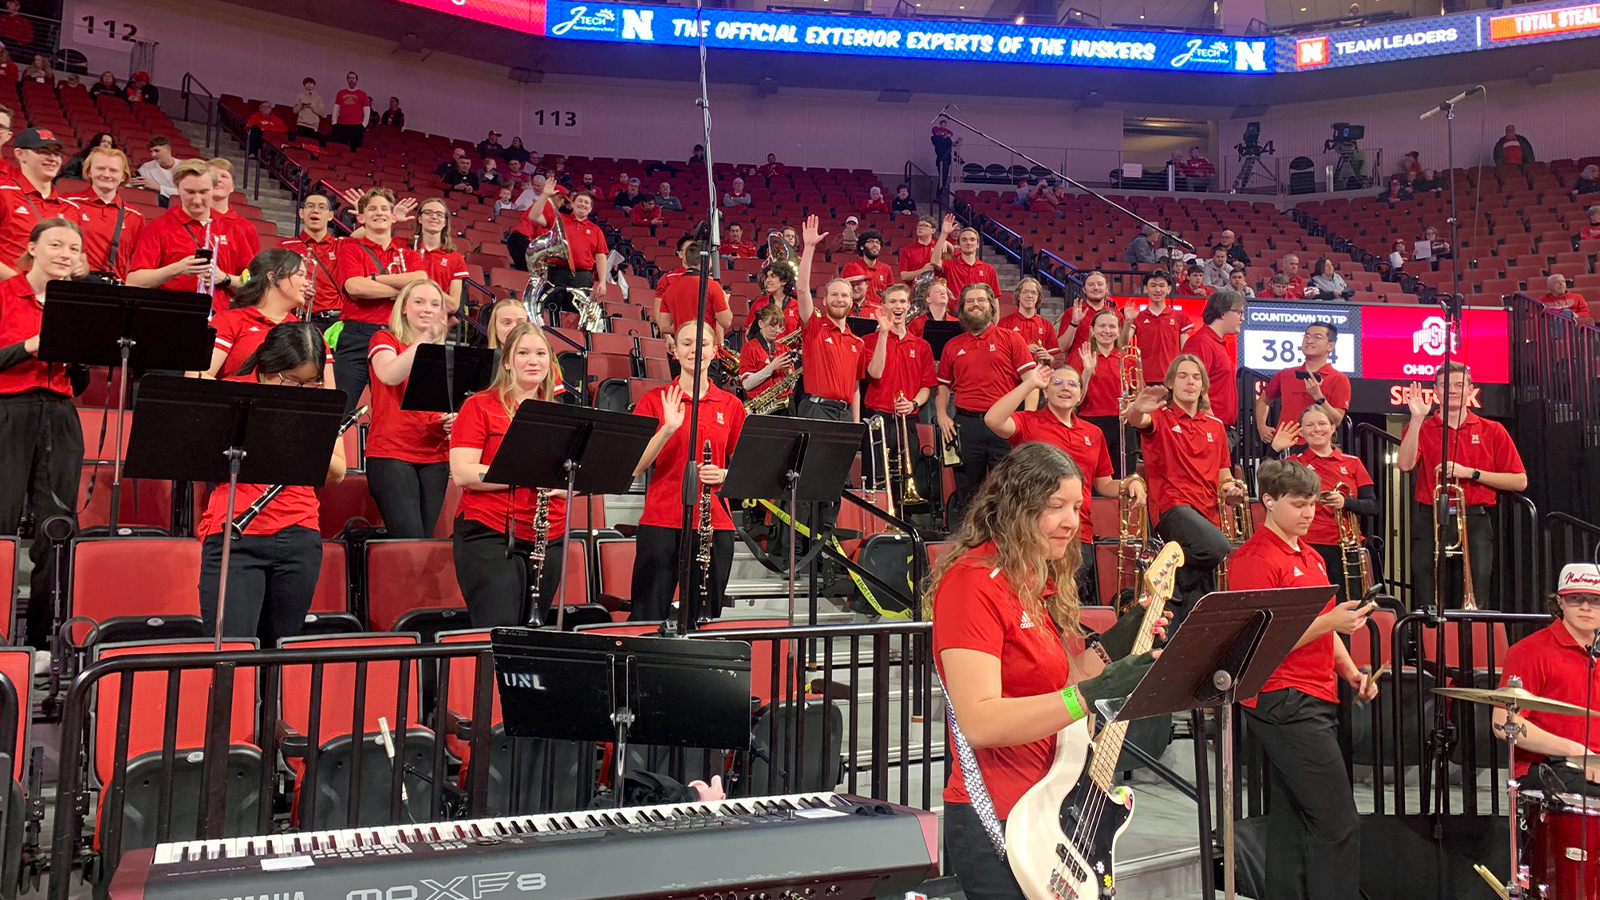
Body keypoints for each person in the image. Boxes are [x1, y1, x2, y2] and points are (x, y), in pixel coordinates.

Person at [931, 441, 1162, 900]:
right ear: (1016, 506)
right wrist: (1093, 694)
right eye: (1055, 506)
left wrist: (1121, 640)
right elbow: (981, 721)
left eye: (1076, 507)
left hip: (1051, 802)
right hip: (998, 813)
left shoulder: (1032, 582)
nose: (1072, 522)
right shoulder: (971, 583)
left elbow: (1063, 684)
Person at [1230, 458, 1378, 900]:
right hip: (1282, 696)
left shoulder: (1311, 555)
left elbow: (1324, 628)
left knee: (1294, 819)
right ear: (1268, 501)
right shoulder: (1254, 559)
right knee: (1337, 821)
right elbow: (1260, 641)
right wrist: (1330, 621)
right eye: (1298, 504)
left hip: (1313, 694)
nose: (1309, 513)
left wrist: (1350, 672)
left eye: (1312, 504)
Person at [199, 320, 346, 648]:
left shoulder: (318, 402)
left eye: (310, 382)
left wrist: (293, 431)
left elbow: (337, 472)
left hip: (299, 535)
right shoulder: (231, 394)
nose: (300, 389)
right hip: (236, 533)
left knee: (281, 654)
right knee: (232, 653)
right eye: (290, 379)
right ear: (267, 367)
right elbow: (201, 456)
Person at [0, 219, 87, 650]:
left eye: (73, 248)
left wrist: (81, 357)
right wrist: (29, 347)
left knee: (57, 528)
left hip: (60, 414)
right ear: (33, 248)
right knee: (1, 523)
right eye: (56, 244)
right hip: (8, 412)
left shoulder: (77, 306)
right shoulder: (4, 294)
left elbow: (81, 383)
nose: (65, 254)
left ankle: (42, 641)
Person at [449, 322, 567, 627]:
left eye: (541, 353)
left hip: (549, 536)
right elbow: (463, 472)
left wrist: (568, 486)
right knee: (499, 629)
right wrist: (526, 473)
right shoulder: (479, 406)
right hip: (491, 534)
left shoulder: (560, 414)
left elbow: (573, 473)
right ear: (507, 362)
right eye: (523, 353)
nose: (533, 361)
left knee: (533, 635)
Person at [986, 362, 1135, 603]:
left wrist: (1130, 484)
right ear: (1045, 392)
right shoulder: (1028, 422)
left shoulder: (1093, 433)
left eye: (1072, 384)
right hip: (1034, 532)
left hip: (1078, 533)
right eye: (1057, 383)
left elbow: (1103, 484)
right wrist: (1030, 383)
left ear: (1080, 395)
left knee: (1069, 606)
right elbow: (993, 419)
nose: (1065, 388)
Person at [630, 320, 746, 622]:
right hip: (662, 519)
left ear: (714, 351)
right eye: (686, 344)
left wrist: (724, 475)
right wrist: (667, 428)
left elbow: (747, 469)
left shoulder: (731, 405)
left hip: (714, 524)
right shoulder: (654, 400)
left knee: (704, 619)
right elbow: (634, 465)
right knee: (648, 615)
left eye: (702, 344)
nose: (695, 350)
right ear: (675, 351)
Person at [1398, 362, 1527, 609]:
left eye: (1459, 385)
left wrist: (1471, 473)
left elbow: (1519, 481)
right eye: (1445, 385)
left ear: (1470, 390)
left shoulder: (1493, 430)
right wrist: (1416, 419)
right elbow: (1404, 464)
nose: (1452, 390)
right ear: (1436, 391)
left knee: (1477, 588)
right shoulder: (1422, 427)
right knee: (1427, 591)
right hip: (1431, 517)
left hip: (1475, 518)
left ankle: (1471, 632)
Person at [1123, 355, 1236, 624]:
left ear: (1203, 385)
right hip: (1172, 506)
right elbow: (1138, 420)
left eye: (1196, 377)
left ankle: (1168, 580)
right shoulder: (1159, 417)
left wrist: (1231, 489)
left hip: (1207, 513)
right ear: (1171, 383)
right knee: (1218, 547)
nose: (1190, 382)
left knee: (1196, 601)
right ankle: (1167, 573)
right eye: (1183, 376)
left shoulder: (1216, 426)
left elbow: (1224, 475)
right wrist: (1136, 408)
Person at [936, 282, 1038, 524]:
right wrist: (941, 414)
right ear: (961, 308)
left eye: (981, 300)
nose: (975, 305)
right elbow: (943, 387)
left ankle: (1006, 538)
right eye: (970, 301)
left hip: (1004, 426)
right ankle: (968, 539)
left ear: (991, 306)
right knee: (967, 491)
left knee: (1008, 488)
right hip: (966, 425)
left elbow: (1031, 382)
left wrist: (1028, 421)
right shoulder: (952, 346)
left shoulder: (1011, 338)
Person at [1494, 562, 1600, 793]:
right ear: (1560, 601)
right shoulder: (1529, 651)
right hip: (1549, 764)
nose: (1586, 607)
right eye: (1575, 598)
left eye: (1595, 600)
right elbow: (1504, 723)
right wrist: (1576, 751)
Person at [366, 279, 453, 539]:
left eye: (435, 304)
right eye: (419, 302)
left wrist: (452, 417)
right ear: (403, 308)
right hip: (391, 453)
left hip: (435, 454)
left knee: (423, 542)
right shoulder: (384, 339)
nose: (427, 309)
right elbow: (389, 374)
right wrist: (425, 339)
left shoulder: (445, 352)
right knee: (409, 541)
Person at [1269, 404, 1378, 602]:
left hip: (1346, 547)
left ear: (1332, 427)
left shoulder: (1352, 462)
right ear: (1302, 431)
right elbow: (1266, 486)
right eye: (1309, 425)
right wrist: (1274, 450)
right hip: (1307, 544)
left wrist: (1345, 502)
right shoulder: (1294, 462)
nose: (1316, 429)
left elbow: (1372, 506)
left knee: (1349, 605)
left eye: (1322, 423)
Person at [332, 187, 427, 411]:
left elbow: (420, 279)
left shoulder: (408, 254)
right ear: (361, 217)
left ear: (393, 217)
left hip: (397, 335)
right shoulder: (350, 249)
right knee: (340, 408)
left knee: (394, 413)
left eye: (384, 209)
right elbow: (355, 287)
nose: (379, 213)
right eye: (372, 209)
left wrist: (374, 279)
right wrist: (400, 292)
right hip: (357, 335)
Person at [126, 161, 242, 313]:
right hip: (169, 314)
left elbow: (251, 283)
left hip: (217, 318)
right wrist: (178, 268)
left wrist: (225, 278)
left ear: (214, 188)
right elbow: (134, 281)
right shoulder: (158, 228)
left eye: (204, 192)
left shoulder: (233, 229)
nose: (197, 200)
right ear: (177, 188)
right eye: (190, 192)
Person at [205, 250, 331, 381]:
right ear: (272, 277)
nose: (307, 283)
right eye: (300, 275)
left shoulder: (309, 333)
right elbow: (199, 376)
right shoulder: (229, 321)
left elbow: (329, 389)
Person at [796, 216, 867, 422]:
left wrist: (855, 425)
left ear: (851, 302)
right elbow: (802, 290)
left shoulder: (858, 343)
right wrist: (809, 247)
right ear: (825, 300)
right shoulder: (814, 327)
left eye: (844, 295)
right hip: (816, 410)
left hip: (844, 414)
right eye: (834, 295)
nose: (839, 299)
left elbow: (855, 388)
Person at [863, 283, 935, 465]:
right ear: (884, 306)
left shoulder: (922, 346)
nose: (898, 306)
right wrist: (883, 333)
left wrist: (913, 403)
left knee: (908, 476)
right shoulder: (869, 341)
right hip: (877, 418)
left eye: (902, 301)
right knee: (876, 475)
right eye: (892, 301)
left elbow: (926, 387)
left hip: (907, 419)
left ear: (909, 305)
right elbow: (875, 373)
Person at [0, 129, 81, 282]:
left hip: (50, 293)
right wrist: (20, 284)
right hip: (7, 291)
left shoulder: (71, 209)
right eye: (43, 151)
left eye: (57, 154)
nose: (52, 158)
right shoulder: (3, 193)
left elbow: (76, 261)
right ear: (20, 154)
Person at [1256, 322, 1350, 441]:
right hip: (1283, 443)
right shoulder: (1285, 374)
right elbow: (1264, 400)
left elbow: (1337, 420)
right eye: (1307, 336)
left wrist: (1319, 397)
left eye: (1317, 337)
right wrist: (1261, 426)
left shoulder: (1339, 379)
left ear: (1330, 346)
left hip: (1316, 445)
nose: (1309, 341)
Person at [64, 146, 144, 280]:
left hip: (113, 286)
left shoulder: (135, 216)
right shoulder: (67, 204)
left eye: (113, 170)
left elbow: (138, 262)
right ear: (89, 172)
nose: (106, 175)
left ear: (123, 176)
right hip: (72, 282)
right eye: (100, 168)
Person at [1077, 308, 1136, 474]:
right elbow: (1077, 399)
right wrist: (1087, 371)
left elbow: (1137, 395)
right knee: (1091, 475)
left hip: (1122, 422)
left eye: (1112, 326)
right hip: (1091, 422)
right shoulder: (1081, 357)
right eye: (1102, 326)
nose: (1107, 331)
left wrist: (1132, 406)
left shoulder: (1128, 360)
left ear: (1118, 331)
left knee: (1124, 475)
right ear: (1092, 330)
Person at [530, 188, 609, 307]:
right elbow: (534, 217)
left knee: (575, 313)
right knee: (549, 309)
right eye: (580, 201)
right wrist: (545, 195)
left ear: (591, 209)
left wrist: (603, 282)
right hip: (555, 273)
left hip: (581, 277)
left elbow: (601, 257)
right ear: (572, 204)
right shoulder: (558, 219)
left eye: (586, 203)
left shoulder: (596, 230)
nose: (583, 204)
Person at [1181, 290, 1244, 428]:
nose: (1242, 318)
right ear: (1223, 313)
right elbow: (1193, 386)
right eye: (1239, 313)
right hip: (1206, 428)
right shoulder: (1201, 343)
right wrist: (1212, 425)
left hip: (1217, 427)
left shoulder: (1217, 343)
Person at [280, 193, 342, 324]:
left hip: (339, 321)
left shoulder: (342, 245)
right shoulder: (285, 247)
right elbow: (273, 283)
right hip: (302, 319)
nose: (315, 210)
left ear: (330, 216)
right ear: (301, 213)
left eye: (322, 207)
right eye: (310, 206)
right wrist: (295, 289)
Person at [656, 241, 731, 339]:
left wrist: (683, 327)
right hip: (704, 342)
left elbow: (664, 327)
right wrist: (725, 300)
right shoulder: (712, 286)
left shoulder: (670, 289)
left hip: (682, 343)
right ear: (707, 260)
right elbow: (726, 322)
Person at [1132, 271, 1189, 384]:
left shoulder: (1180, 316)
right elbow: (1123, 343)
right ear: (1145, 289)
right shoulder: (1137, 317)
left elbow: (1185, 350)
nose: (1157, 290)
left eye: (1162, 286)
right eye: (1153, 286)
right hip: (1144, 379)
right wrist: (1128, 321)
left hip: (1172, 378)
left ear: (1169, 289)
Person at [738, 304, 796, 412]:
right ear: (761, 323)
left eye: (780, 327)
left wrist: (787, 372)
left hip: (785, 406)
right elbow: (746, 384)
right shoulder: (749, 348)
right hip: (762, 407)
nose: (777, 330)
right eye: (772, 325)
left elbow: (791, 387)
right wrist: (771, 368)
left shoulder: (785, 349)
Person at [413, 197, 467, 313]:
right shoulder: (406, 249)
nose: (434, 217)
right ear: (419, 218)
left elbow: (453, 305)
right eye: (428, 212)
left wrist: (426, 289)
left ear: (445, 222)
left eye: (439, 214)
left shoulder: (456, 258)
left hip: (435, 318)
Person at [206, 158, 261, 264]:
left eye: (224, 176)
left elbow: (254, 271)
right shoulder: (192, 219)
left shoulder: (246, 228)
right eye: (213, 175)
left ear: (232, 187)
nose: (218, 180)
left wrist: (224, 275)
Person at [1058, 271, 1120, 358]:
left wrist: (1128, 322)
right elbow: (1062, 347)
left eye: (1100, 284)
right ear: (1084, 289)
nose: (1096, 288)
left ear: (1106, 288)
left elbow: (1121, 346)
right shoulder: (1071, 312)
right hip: (1078, 364)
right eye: (1091, 284)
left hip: (1109, 364)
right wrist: (1074, 323)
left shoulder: (1116, 315)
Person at [935, 225, 999, 297]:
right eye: (964, 240)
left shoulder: (989, 269)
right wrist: (944, 234)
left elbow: (994, 297)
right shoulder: (950, 266)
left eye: (972, 239)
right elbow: (934, 262)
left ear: (978, 244)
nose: (968, 243)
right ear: (959, 244)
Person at [841, 229, 893, 314]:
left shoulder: (886, 269)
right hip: (853, 312)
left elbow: (890, 296)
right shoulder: (851, 267)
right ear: (862, 246)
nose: (875, 245)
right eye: (871, 241)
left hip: (878, 314)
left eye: (878, 242)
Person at [898, 214, 944, 284]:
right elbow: (903, 276)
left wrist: (946, 242)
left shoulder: (939, 246)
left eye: (925, 225)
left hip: (935, 286)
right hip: (914, 288)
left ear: (933, 230)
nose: (920, 227)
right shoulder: (907, 250)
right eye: (919, 225)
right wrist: (922, 270)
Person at [131, 136, 180, 202]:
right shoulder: (146, 167)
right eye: (151, 151)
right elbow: (133, 184)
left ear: (168, 150)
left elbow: (186, 193)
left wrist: (158, 187)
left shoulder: (184, 167)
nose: (153, 155)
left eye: (157, 151)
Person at [331, 71, 371, 150]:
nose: (351, 80)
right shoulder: (340, 93)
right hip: (342, 125)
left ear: (356, 80)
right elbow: (336, 109)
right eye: (349, 78)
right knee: (340, 147)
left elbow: (367, 111)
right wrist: (334, 123)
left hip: (356, 126)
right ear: (347, 80)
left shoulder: (362, 94)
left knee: (355, 149)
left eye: (353, 78)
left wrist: (364, 125)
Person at [293, 78, 325, 143]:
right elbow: (295, 110)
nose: (309, 85)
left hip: (313, 126)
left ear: (314, 85)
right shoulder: (300, 95)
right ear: (304, 85)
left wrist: (312, 106)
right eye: (307, 83)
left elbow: (321, 112)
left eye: (311, 83)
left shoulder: (319, 97)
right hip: (301, 124)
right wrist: (301, 105)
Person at [930, 116, 956, 190]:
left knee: (944, 176)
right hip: (941, 158)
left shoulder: (947, 138)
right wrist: (944, 136)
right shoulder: (935, 138)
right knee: (942, 175)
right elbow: (940, 141)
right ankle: (940, 190)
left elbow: (950, 146)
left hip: (946, 158)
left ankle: (941, 190)